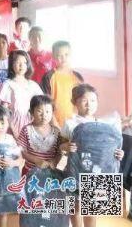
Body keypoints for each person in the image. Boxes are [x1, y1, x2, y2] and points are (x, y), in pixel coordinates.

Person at [59, 84, 124, 227]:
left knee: (91, 209)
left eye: (93, 100)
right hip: (75, 171)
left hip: (96, 173)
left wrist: (119, 153)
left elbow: (111, 149)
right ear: (75, 102)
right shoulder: (70, 123)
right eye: (84, 100)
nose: (89, 104)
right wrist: (66, 147)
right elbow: (61, 146)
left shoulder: (103, 126)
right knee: (75, 207)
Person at [0, 50, 43, 140]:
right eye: (18, 62)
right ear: (12, 64)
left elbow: (41, 105)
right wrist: (11, 127)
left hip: (31, 123)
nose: (21, 65)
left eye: (24, 62)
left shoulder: (33, 85)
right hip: (13, 123)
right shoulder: (8, 84)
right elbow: (4, 110)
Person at [40, 40, 84, 126]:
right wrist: (54, 123)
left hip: (75, 122)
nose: (63, 58)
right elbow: (45, 103)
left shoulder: (78, 77)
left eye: (66, 55)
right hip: (55, 123)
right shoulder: (49, 77)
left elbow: (82, 100)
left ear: (71, 55)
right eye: (59, 55)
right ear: (53, 56)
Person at [17, 95, 62, 175]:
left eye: (48, 111)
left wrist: (54, 161)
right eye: (39, 111)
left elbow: (59, 152)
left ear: (52, 113)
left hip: (50, 173)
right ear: (32, 112)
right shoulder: (26, 130)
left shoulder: (57, 132)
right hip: (30, 172)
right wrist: (36, 160)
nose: (44, 115)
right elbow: (21, 151)